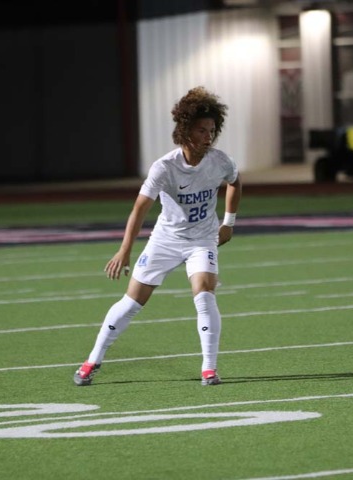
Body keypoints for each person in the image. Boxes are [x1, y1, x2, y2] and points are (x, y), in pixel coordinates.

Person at [73, 86, 242, 387]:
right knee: (132, 302)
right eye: (202, 130)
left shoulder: (220, 161)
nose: (209, 137)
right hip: (166, 239)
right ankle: (92, 361)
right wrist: (125, 250)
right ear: (185, 130)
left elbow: (235, 182)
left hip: (202, 240)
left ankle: (209, 368)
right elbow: (139, 209)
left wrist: (228, 222)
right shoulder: (164, 167)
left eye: (212, 130)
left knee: (204, 293)